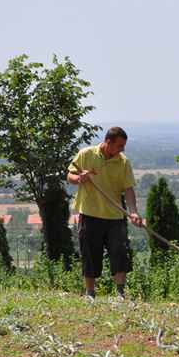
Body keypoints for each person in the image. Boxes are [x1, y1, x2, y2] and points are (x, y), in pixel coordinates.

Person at [67, 126, 143, 300]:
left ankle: (120, 293)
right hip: (89, 213)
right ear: (108, 142)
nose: (122, 149)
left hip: (115, 216)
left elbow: (129, 189)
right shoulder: (86, 154)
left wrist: (134, 212)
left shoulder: (123, 162)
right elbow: (70, 175)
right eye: (119, 145)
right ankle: (90, 294)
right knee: (90, 254)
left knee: (119, 254)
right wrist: (79, 179)